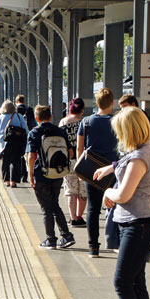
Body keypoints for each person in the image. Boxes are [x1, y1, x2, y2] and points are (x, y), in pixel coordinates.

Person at [94, 107, 150, 299]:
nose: (118, 135)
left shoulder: (139, 157)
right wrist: (110, 169)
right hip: (140, 224)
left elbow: (123, 195)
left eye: (120, 130)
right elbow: (122, 163)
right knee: (137, 284)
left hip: (139, 225)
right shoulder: (142, 150)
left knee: (122, 282)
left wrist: (107, 193)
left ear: (128, 130)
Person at [77, 88, 118, 258]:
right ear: (112, 103)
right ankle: (118, 242)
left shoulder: (86, 122)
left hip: (92, 171)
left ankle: (93, 247)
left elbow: (80, 148)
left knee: (93, 209)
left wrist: (80, 169)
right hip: (114, 170)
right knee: (117, 206)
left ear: (97, 103)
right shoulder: (118, 122)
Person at [28, 105, 75, 250]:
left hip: (41, 174)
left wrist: (30, 174)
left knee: (46, 208)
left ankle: (51, 239)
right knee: (54, 204)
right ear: (50, 117)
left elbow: (31, 156)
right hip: (58, 173)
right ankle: (66, 236)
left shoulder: (34, 132)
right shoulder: (60, 131)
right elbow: (71, 153)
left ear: (37, 118)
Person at [59, 97, 86, 227]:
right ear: (82, 110)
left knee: (71, 189)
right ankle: (80, 216)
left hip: (68, 160)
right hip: (83, 160)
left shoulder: (63, 122)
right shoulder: (85, 122)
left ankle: (73, 218)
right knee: (83, 190)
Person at [0, 99, 28, 187]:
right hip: (17, 142)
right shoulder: (19, 116)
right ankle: (13, 182)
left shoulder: (0, 118)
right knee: (16, 162)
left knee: (5, 162)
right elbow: (26, 130)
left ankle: (7, 181)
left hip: (4, 143)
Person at [15, 94, 36, 182]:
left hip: (18, 135)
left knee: (18, 154)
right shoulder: (29, 109)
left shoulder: (15, 110)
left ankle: (19, 174)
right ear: (24, 101)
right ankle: (25, 175)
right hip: (28, 134)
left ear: (16, 101)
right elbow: (34, 122)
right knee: (27, 154)